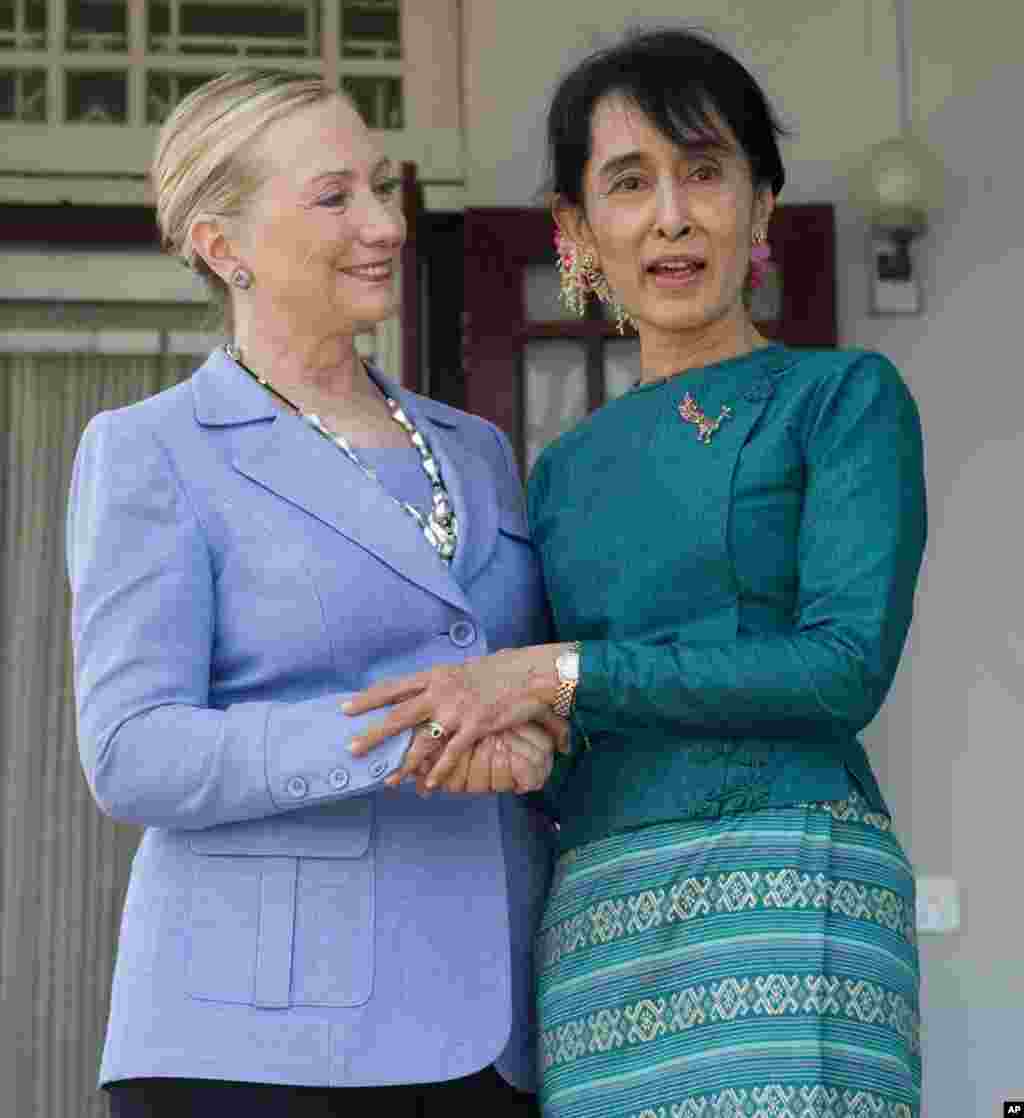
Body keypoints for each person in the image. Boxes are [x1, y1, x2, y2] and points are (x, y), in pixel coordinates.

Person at [343, 29, 926, 1118]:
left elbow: (838, 669)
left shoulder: (842, 400)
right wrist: (502, 735)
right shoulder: (561, 472)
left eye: (705, 173)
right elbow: (564, 732)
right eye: (628, 182)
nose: (671, 216)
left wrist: (558, 673)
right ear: (577, 230)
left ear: (759, 209)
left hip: (789, 876)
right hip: (601, 909)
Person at [66, 69, 566, 1118]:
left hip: (494, 1026)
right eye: (335, 197)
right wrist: (409, 733)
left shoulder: (475, 449)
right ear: (221, 245)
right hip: (254, 1041)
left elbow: (520, 679)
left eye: (384, 187)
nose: (384, 223)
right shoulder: (151, 452)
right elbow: (133, 750)